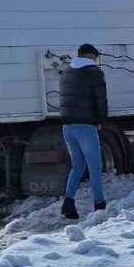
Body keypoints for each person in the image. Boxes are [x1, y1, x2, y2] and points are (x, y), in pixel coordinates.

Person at [58, 43, 108, 219]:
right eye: (95, 58)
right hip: (86, 126)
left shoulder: (66, 72)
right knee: (95, 167)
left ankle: (68, 203)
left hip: (67, 126)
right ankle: (99, 205)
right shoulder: (94, 73)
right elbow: (100, 100)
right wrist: (101, 121)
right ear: (90, 56)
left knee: (78, 166)